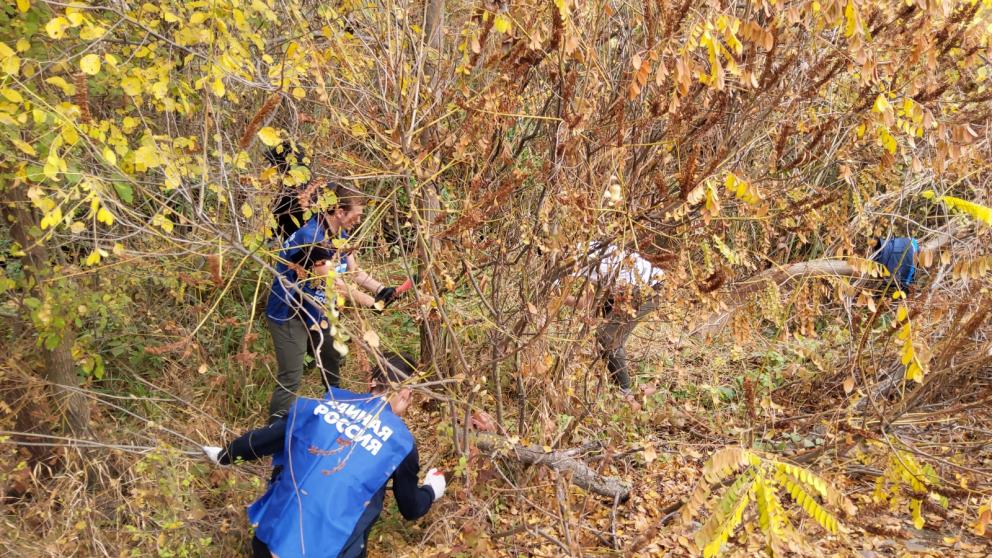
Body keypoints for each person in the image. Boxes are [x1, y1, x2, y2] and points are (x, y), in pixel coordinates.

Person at [202, 353, 446, 558]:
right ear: (404, 394)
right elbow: (410, 506)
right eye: (409, 393)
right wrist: (432, 490)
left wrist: (226, 455)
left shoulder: (327, 403)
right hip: (331, 549)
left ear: (371, 381)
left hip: (271, 538)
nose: (409, 401)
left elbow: (267, 438)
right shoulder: (400, 441)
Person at [265, 183, 401, 420]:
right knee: (291, 376)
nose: (358, 220)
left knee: (332, 356)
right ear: (339, 211)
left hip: (317, 310)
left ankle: (334, 405)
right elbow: (336, 283)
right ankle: (273, 429)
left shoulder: (340, 235)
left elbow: (354, 273)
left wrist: (381, 289)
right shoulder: (312, 238)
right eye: (356, 215)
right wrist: (372, 303)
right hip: (289, 313)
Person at [564, 241, 665, 394]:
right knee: (605, 335)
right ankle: (623, 385)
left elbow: (593, 301)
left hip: (647, 288)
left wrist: (559, 299)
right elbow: (590, 301)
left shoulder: (588, 255)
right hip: (627, 288)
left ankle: (627, 395)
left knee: (607, 337)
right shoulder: (584, 252)